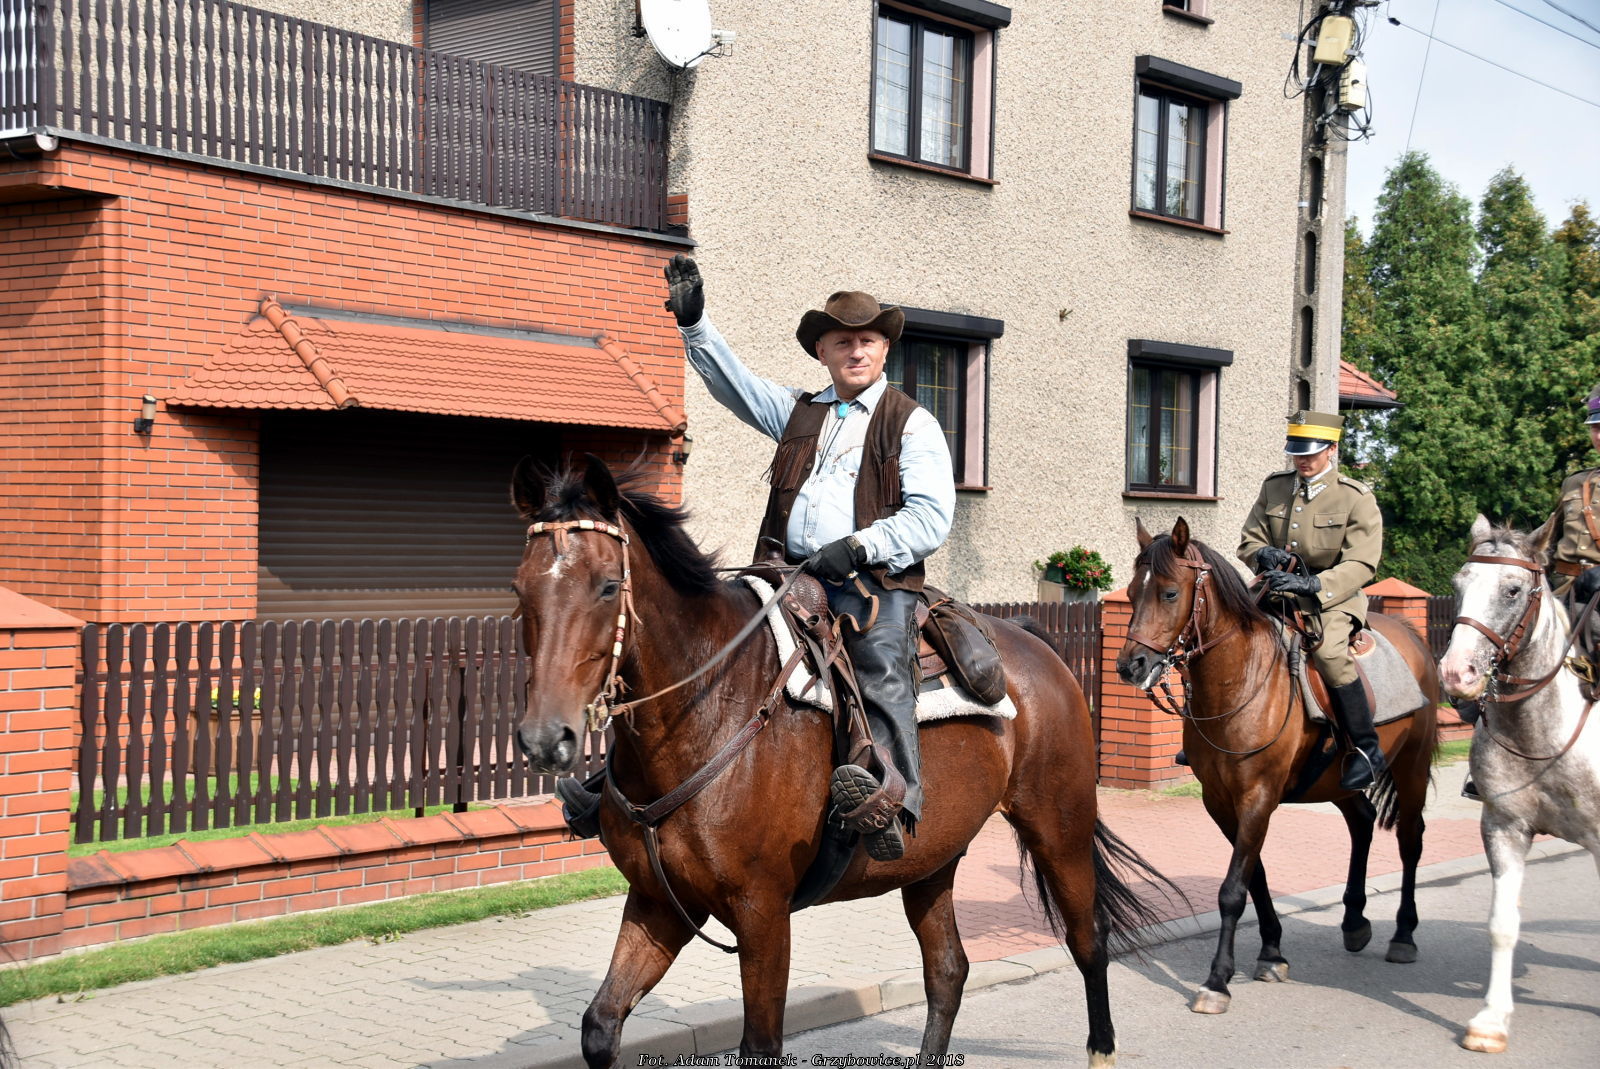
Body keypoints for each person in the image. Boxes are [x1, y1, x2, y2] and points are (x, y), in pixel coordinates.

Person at [558, 255, 955, 862]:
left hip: (871, 583)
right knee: (699, 646)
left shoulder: (912, 424)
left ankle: (891, 804)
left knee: (881, 668)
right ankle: (610, 787)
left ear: (884, 349)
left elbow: (930, 518)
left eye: (868, 340)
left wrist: (859, 545)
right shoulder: (801, 412)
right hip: (784, 574)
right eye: (842, 341)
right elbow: (736, 385)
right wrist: (694, 324)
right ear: (822, 351)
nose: (856, 351)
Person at [1235, 410, 1387, 790]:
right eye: (1297, 453)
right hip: (1275, 589)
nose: (1301, 460)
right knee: (1225, 632)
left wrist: (1315, 584)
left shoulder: (1355, 497)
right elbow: (1250, 539)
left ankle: (1366, 749)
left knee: (1330, 655)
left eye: (1310, 453)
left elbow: (1362, 563)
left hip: (1333, 598)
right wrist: (1261, 554)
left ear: (1331, 449)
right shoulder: (1275, 487)